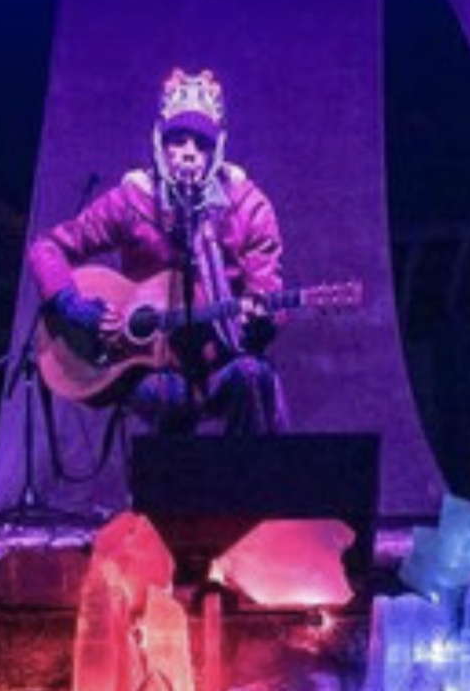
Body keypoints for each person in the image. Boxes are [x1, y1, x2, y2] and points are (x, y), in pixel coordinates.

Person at [27, 67, 287, 436]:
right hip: (152, 366)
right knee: (168, 396)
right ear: (159, 144)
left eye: (201, 144)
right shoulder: (132, 201)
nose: (189, 154)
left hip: (221, 361)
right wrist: (72, 306)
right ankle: (167, 475)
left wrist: (261, 321)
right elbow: (47, 247)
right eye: (177, 140)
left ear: (217, 150)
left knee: (254, 376)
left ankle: (249, 473)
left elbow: (267, 293)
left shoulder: (248, 206)